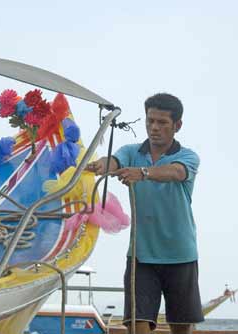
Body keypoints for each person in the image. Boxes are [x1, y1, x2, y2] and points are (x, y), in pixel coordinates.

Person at [86, 93, 203, 334]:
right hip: (141, 257)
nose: (154, 128)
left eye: (162, 123)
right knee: (137, 326)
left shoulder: (187, 156)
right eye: (150, 121)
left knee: (181, 328)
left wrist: (143, 173)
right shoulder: (132, 151)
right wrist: (101, 165)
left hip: (181, 256)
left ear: (177, 126)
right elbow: (115, 161)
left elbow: (176, 173)